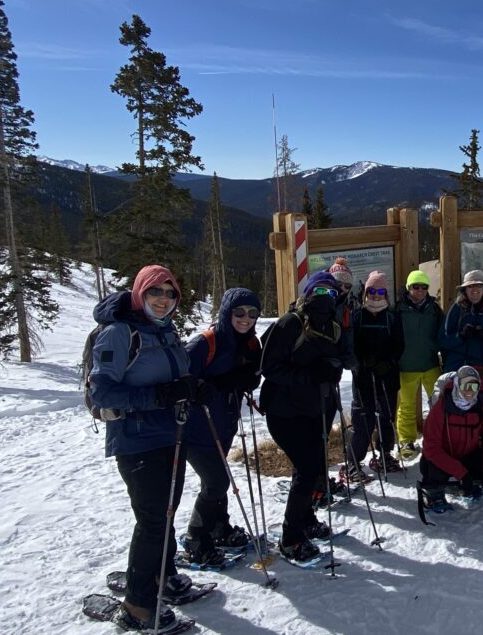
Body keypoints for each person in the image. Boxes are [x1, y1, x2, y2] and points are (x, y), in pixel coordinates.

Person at [89, 264, 197, 630]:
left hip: (171, 436)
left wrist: (190, 388)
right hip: (136, 442)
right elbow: (101, 391)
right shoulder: (119, 333)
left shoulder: (165, 331)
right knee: (153, 521)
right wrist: (161, 395)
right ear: (139, 293)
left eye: (170, 293)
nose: (164, 300)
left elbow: (174, 377)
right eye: (155, 292)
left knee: (165, 513)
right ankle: (137, 605)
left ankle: (163, 576)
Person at [259, 271, 353, 563]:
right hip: (284, 412)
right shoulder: (290, 323)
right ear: (308, 293)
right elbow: (269, 368)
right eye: (319, 292)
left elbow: (335, 363)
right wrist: (312, 374)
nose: (325, 298)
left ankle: (306, 520)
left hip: (316, 409)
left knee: (310, 468)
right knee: (308, 469)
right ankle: (291, 537)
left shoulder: (333, 327)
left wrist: (334, 368)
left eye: (331, 293)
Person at [180, 287, 263, 566]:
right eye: (239, 312)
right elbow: (182, 380)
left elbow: (252, 374)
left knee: (216, 479)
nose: (245, 318)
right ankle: (196, 536)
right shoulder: (205, 342)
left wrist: (248, 379)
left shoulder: (251, 344)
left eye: (252, 313)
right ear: (227, 313)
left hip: (224, 424)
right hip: (195, 428)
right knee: (217, 481)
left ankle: (218, 528)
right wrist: (211, 385)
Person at [418, 366, 483, 512]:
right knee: (433, 472)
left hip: (469, 454)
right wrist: (460, 472)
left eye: (474, 386)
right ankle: (434, 495)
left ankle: (472, 486)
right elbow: (431, 447)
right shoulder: (441, 407)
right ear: (457, 385)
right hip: (442, 456)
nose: (470, 391)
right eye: (465, 386)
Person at [346, 271, 405, 481]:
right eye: (372, 291)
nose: (376, 295)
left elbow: (399, 346)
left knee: (386, 417)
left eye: (381, 291)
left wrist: (387, 363)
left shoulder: (391, 317)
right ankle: (352, 462)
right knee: (364, 420)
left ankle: (385, 455)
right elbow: (351, 345)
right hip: (363, 378)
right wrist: (361, 363)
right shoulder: (357, 316)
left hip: (387, 376)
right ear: (366, 292)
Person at [396, 269, 443, 460]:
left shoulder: (434, 309)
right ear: (408, 288)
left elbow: (443, 333)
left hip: (431, 364)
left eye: (424, 287)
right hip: (406, 365)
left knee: (438, 404)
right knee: (407, 406)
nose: (420, 290)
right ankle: (406, 441)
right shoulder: (398, 310)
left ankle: (437, 438)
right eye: (416, 286)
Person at [440, 269, 483, 392]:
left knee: (482, 409)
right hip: (458, 368)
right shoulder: (456, 309)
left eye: (479, 286)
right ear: (464, 289)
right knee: (457, 409)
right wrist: (460, 336)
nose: (474, 290)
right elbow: (443, 340)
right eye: (470, 286)